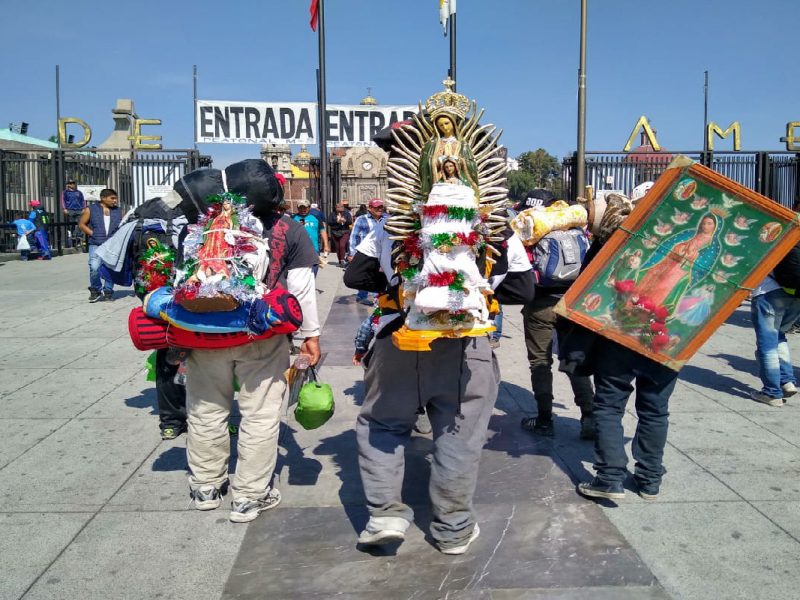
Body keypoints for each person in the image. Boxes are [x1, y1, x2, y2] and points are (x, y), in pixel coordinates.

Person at [174, 159, 322, 523]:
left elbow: (180, 280)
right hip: (261, 335)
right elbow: (301, 288)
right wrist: (309, 337)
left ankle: (206, 488)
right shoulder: (289, 229)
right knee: (260, 415)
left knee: (206, 410)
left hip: (204, 334)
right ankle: (250, 495)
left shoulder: (202, 227)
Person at [569, 191, 679, 503]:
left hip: (620, 334)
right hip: (664, 333)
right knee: (655, 408)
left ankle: (610, 476)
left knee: (609, 406)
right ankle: (649, 479)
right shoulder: (671, 241)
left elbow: (587, 283)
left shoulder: (614, 240)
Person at [517, 189, 595, 439]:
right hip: (571, 303)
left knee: (540, 362)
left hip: (540, 304)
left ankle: (544, 419)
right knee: (574, 360)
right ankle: (589, 416)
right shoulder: (573, 226)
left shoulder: (529, 227)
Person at [635, 212, 724, 310]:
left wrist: (693, 256)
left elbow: (705, 262)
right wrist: (680, 248)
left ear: (716, 227)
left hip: (684, 270)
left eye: (709, 223)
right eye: (703, 223)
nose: (705, 226)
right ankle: (636, 301)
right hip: (670, 261)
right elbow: (672, 243)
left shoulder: (713, 245)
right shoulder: (691, 233)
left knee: (664, 285)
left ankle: (647, 308)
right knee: (652, 274)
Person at [749, 272, 800, 406]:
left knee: (767, 345)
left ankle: (771, 393)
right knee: (779, 336)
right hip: (795, 294)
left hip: (769, 291)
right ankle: (786, 381)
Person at [79, 188, 121, 302]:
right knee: (94, 267)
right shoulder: (91, 209)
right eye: (112, 198)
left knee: (110, 268)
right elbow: (82, 224)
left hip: (112, 244)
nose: (115, 201)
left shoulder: (118, 210)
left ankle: (108, 291)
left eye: (115, 198)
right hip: (96, 243)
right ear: (103, 198)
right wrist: (92, 233)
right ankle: (96, 289)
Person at [348, 198, 387, 304]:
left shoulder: (386, 218)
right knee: (365, 273)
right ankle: (362, 296)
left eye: (381, 207)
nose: (379, 209)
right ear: (370, 208)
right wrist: (352, 253)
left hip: (382, 252)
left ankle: (378, 296)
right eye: (377, 207)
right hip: (366, 252)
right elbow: (354, 236)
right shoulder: (362, 219)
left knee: (378, 274)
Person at [293, 199, 328, 276]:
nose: (303, 210)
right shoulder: (293, 218)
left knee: (313, 271)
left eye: (305, 207)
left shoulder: (315, 218)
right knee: (300, 272)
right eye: (301, 208)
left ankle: (311, 285)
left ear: (309, 208)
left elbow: (322, 230)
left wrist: (326, 245)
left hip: (314, 249)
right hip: (298, 250)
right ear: (297, 208)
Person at [61, 180, 86, 248]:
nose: (72, 184)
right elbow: (63, 200)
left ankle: (78, 236)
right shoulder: (65, 192)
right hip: (70, 210)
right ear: (68, 185)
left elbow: (83, 200)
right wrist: (65, 208)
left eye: (73, 183)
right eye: (70, 183)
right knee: (72, 224)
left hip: (79, 210)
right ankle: (74, 237)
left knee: (80, 223)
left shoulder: (79, 192)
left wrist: (84, 208)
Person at [327, 202, 353, 267]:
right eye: (338, 207)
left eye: (341, 207)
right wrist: (336, 221)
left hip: (345, 231)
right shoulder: (332, 214)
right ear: (336, 208)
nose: (340, 208)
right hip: (335, 232)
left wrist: (344, 221)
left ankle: (342, 260)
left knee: (342, 245)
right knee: (337, 247)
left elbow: (350, 221)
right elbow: (329, 222)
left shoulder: (347, 214)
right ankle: (340, 260)